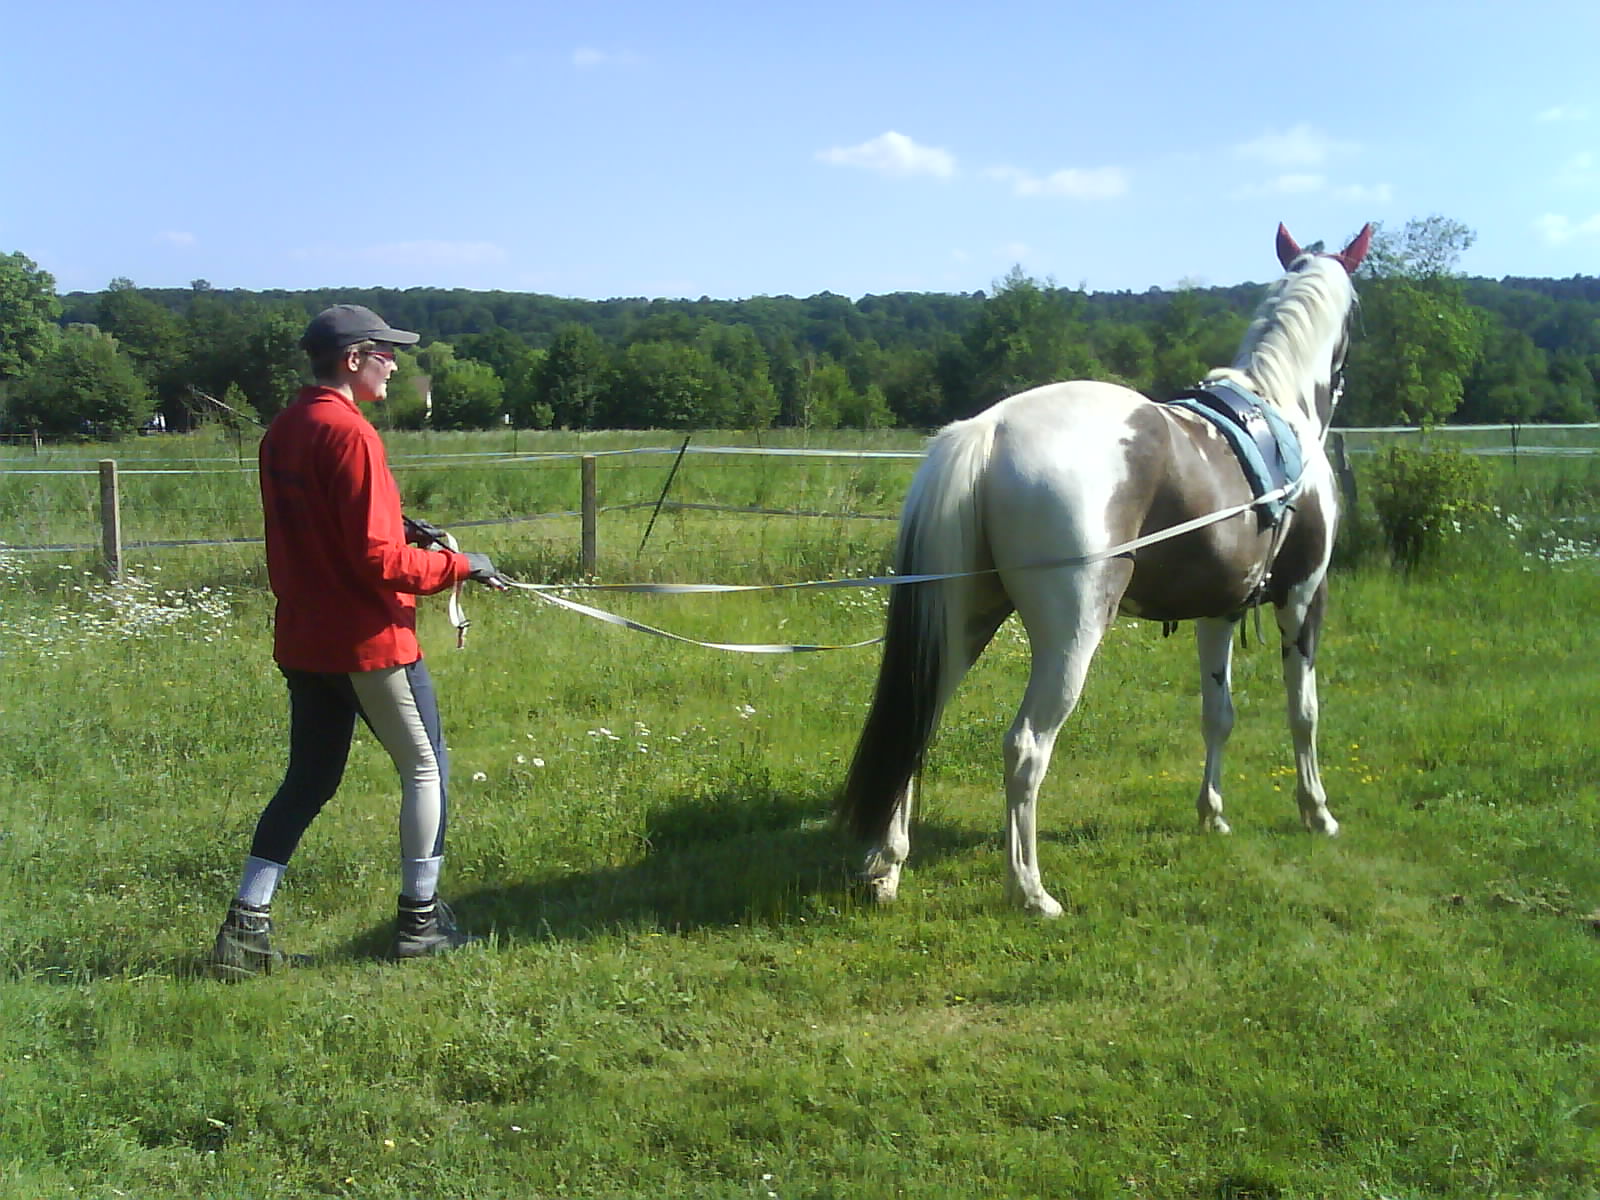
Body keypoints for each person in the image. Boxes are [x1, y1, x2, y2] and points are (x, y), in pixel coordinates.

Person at [209, 304, 504, 978]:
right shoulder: (352, 434)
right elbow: (377, 560)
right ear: (353, 358)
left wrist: (408, 533)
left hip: (305, 639)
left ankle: (244, 930)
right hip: (366, 641)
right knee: (428, 770)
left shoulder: (286, 427)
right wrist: (461, 565)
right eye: (387, 354)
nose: (395, 365)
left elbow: (336, 530)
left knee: (308, 780)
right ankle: (420, 925)